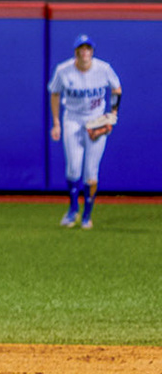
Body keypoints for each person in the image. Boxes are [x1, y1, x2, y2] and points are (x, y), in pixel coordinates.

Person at [48, 34, 123, 230]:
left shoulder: (103, 68)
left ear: (92, 51)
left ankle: (87, 215)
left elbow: (117, 89)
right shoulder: (63, 70)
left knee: (91, 170)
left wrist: (113, 113)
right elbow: (54, 93)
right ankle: (73, 209)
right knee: (73, 168)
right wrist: (56, 123)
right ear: (76, 52)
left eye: (88, 48)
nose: (85, 52)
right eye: (81, 49)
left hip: (95, 120)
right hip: (72, 119)